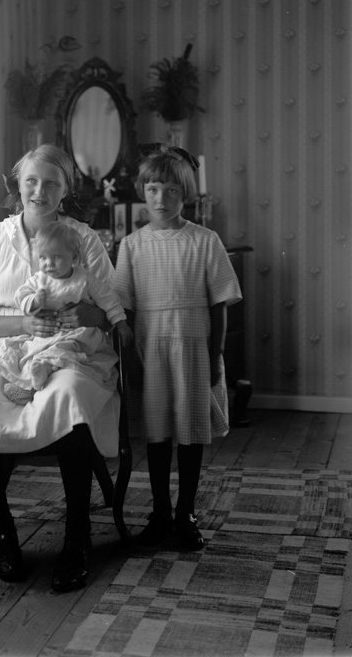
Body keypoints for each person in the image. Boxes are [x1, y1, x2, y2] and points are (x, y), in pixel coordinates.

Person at [0, 144, 124, 593]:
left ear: (65, 190)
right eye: (31, 181)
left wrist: (89, 314)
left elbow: (111, 308)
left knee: (67, 397)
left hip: (69, 344)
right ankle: (4, 533)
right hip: (2, 343)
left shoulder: (83, 238)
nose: (39, 191)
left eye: (51, 183)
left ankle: (77, 537)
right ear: (18, 184)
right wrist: (21, 323)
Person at [114, 144, 242, 550]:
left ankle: (186, 512)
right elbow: (124, 311)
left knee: (189, 432)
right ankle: (160, 512)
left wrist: (215, 355)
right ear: (143, 192)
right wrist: (131, 360)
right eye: (153, 189)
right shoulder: (131, 246)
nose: (161, 199)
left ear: (184, 193)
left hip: (193, 350)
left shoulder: (205, 241)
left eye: (171, 190)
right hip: (150, 351)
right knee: (157, 435)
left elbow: (219, 304)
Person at [0, 222, 133, 403]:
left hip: (78, 334)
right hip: (49, 332)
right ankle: (29, 382)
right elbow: (20, 296)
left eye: (56, 257)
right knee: (30, 351)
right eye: (43, 257)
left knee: (61, 350)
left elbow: (110, 300)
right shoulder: (39, 280)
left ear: (74, 257)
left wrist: (121, 324)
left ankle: (38, 377)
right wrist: (34, 301)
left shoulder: (85, 279)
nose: (48, 264)